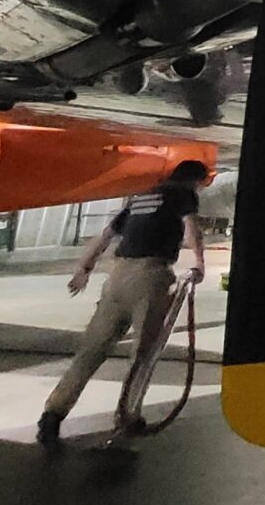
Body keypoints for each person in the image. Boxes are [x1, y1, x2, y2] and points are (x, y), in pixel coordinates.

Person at [38, 160, 209, 445]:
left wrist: (84, 267)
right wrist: (199, 263)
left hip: (116, 278)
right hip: (151, 276)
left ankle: (52, 415)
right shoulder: (184, 194)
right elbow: (192, 229)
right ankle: (127, 417)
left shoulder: (142, 196)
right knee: (143, 354)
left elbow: (107, 235)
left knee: (90, 352)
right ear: (194, 180)